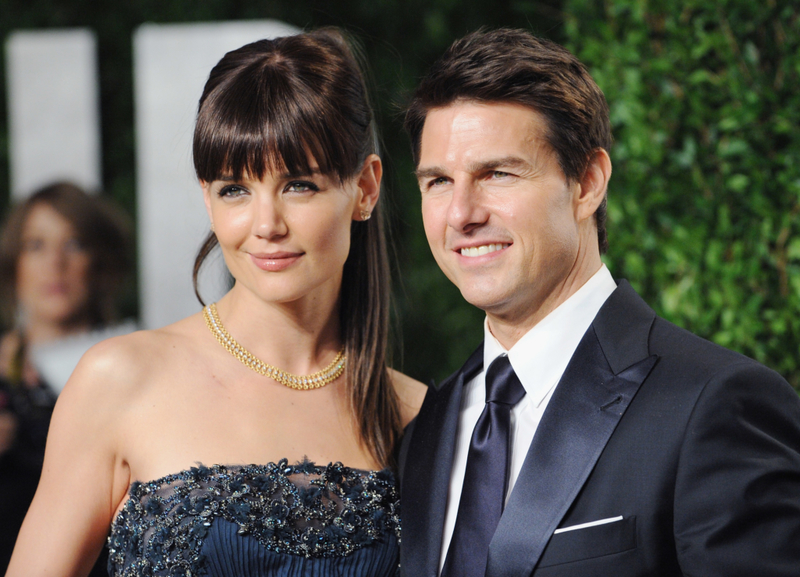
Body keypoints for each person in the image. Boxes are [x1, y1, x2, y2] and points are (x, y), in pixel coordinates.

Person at [7, 29, 425, 577]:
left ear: (365, 188)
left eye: (298, 184)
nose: (267, 225)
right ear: (207, 197)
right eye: (235, 189)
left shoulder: (415, 418)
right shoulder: (120, 379)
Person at [399, 28, 800, 577]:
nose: (461, 213)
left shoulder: (715, 403)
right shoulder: (430, 423)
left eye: (498, 173)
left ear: (587, 182)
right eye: (438, 182)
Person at [0, 182, 130, 574]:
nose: (54, 263)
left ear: (100, 262)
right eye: (35, 245)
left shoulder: (139, 371)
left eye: (73, 244)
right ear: (14, 263)